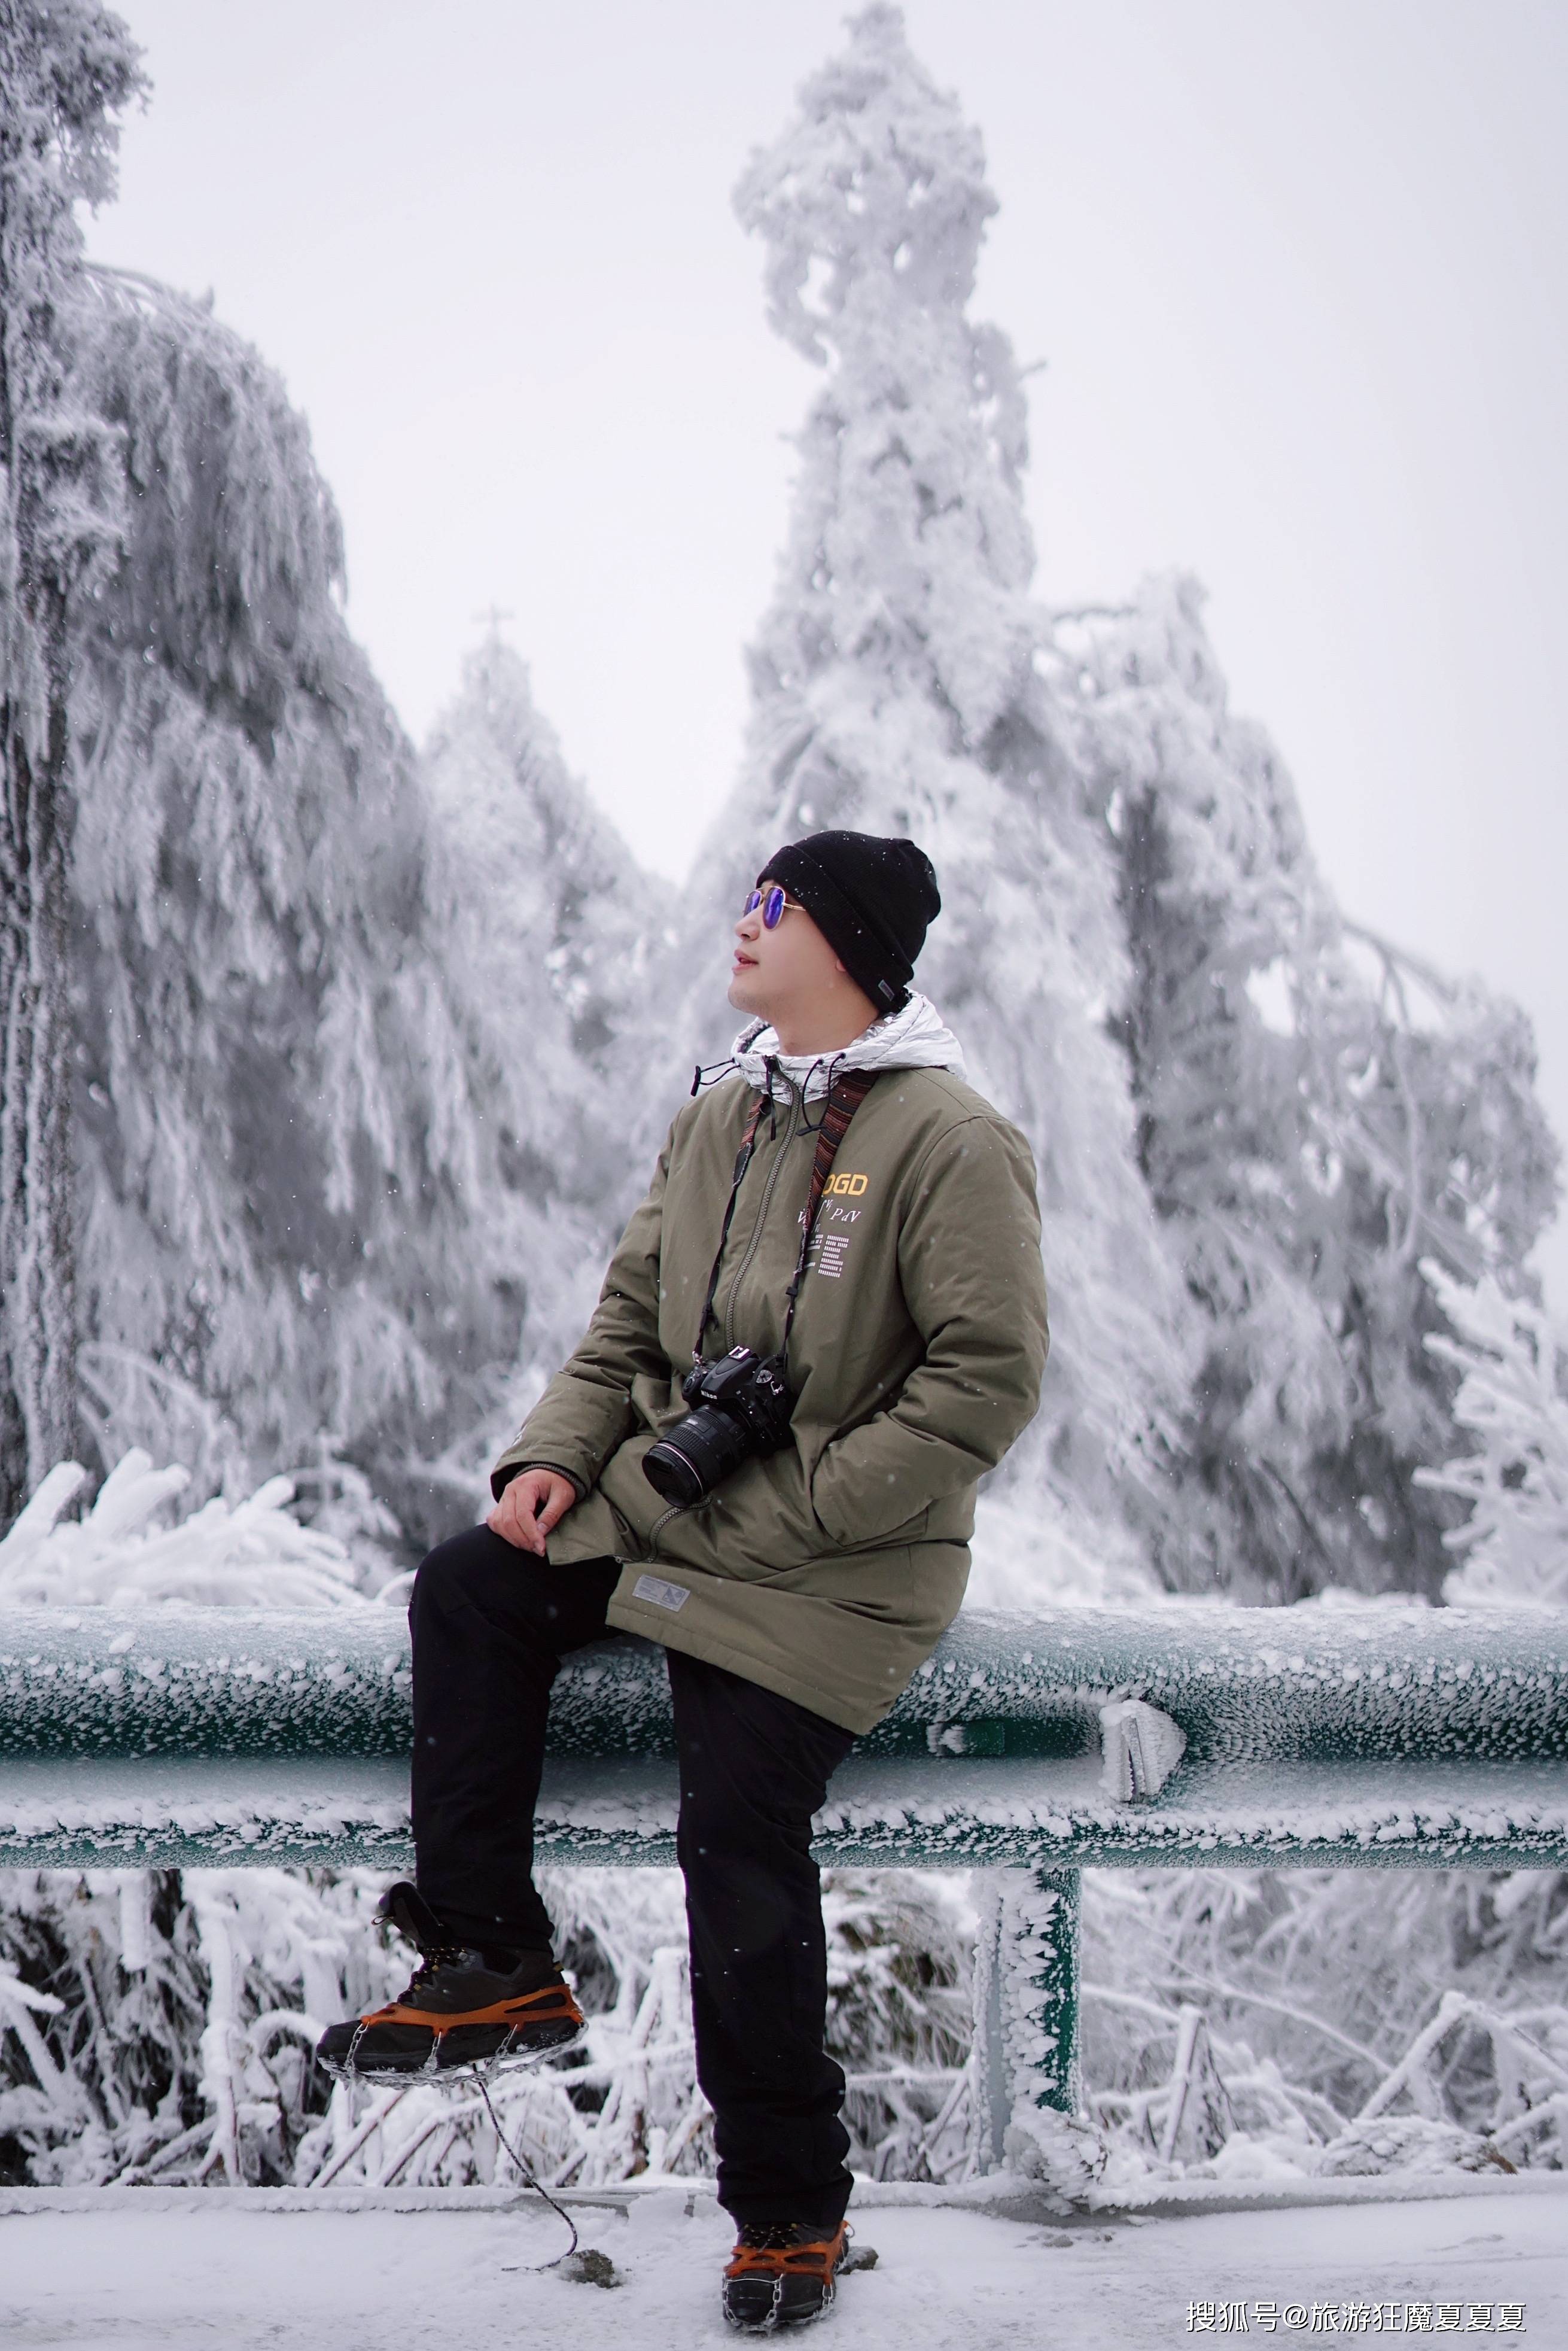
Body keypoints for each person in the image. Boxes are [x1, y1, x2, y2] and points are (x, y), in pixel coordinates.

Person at [318, 829, 1050, 2329]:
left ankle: (790, 2212)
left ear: (839, 941)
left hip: (834, 1569)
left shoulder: (951, 1139)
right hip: (671, 1508)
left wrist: (819, 1502)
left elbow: (987, 1380)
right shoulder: (720, 1115)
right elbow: (628, 1332)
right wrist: (555, 1461)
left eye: (771, 905)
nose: (743, 922)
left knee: (736, 1829)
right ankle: (493, 1959)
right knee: (468, 1589)